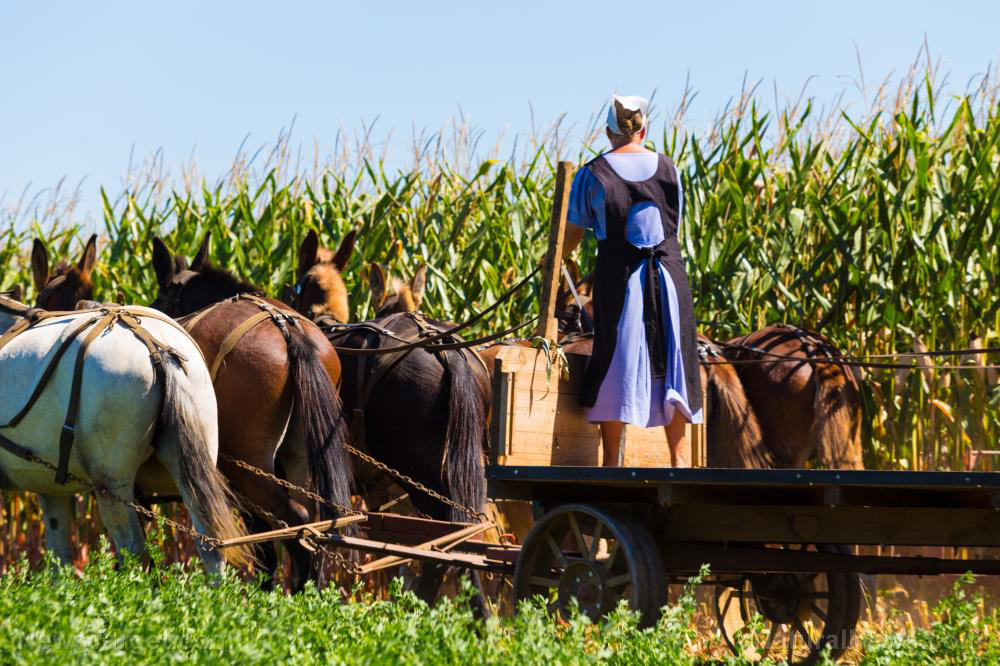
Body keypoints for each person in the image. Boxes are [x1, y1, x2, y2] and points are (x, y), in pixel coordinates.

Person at [561, 94, 703, 467]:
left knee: (614, 357)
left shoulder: (592, 174)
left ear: (608, 132)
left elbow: (572, 234)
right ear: (644, 129)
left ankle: (611, 461)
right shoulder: (670, 168)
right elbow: (672, 226)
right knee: (675, 355)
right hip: (669, 277)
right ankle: (679, 459)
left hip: (620, 278)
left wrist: (554, 259)